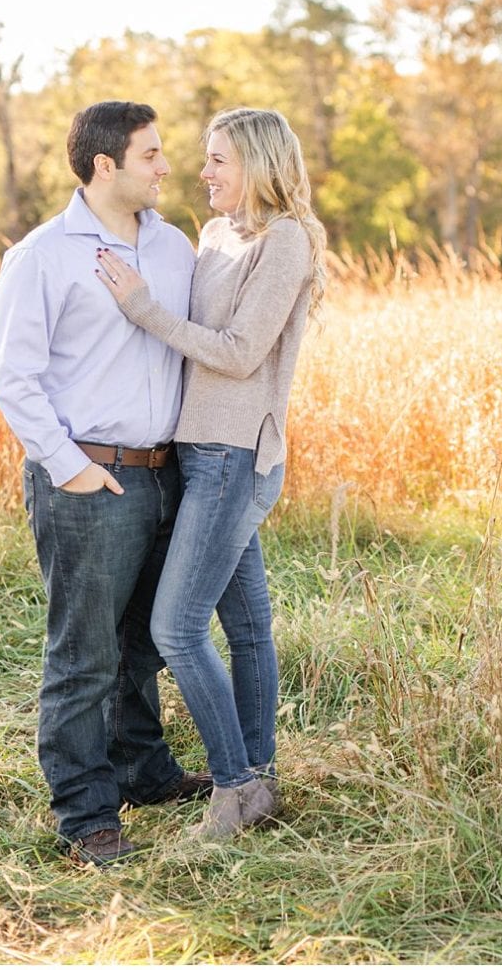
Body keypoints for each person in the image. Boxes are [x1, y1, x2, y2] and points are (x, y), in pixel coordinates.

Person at [0, 100, 212, 868]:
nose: (167, 166)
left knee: (143, 643)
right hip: (89, 476)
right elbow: (12, 376)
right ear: (105, 165)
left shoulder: (176, 247)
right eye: (152, 154)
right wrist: (70, 466)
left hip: (164, 475)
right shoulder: (44, 255)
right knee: (83, 656)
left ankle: (144, 772)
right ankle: (87, 816)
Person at [94, 107, 326, 840]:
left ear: (256, 164)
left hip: (236, 456)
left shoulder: (286, 241)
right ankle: (259, 782)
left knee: (177, 626)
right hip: (200, 452)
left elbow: (237, 350)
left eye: (219, 160)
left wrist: (143, 310)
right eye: (205, 159)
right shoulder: (219, 233)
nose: (203, 172)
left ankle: (231, 788)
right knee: (248, 628)